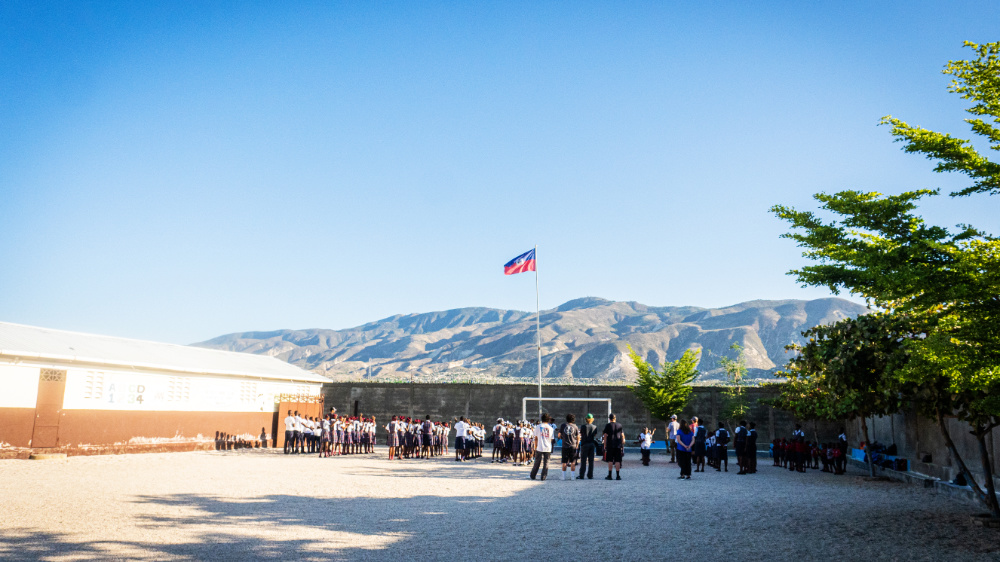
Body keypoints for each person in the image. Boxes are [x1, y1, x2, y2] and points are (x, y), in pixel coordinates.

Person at [530, 414, 554, 480]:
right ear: (548, 420)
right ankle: (543, 476)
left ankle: (533, 475)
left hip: (539, 447)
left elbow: (536, 438)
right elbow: (551, 439)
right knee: (546, 463)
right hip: (548, 447)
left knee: (537, 462)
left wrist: (535, 446)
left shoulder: (538, 427)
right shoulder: (551, 428)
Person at [603, 413, 625, 480]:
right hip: (618, 445)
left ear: (609, 419)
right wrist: (622, 443)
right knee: (617, 460)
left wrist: (604, 445)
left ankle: (610, 475)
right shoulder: (619, 425)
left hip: (610, 444)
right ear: (615, 418)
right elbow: (622, 435)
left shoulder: (608, 425)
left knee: (610, 460)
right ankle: (618, 476)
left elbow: (605, 436)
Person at [559, 414, 581, 480]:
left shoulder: (563, 425)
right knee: (573, 462)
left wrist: (562, 437)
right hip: (573, 446)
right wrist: (577, 445)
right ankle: (572, 476)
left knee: (564, 461)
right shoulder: (575, 427)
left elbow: (559, 435)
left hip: (565, 445)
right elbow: (578, 437)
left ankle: (563, 476)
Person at [577, 414, 598, 479]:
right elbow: (595, 435)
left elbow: (580, 433)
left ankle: (582, 475)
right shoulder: (595, 427)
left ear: (586, 419)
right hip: (592, 444)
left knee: (583, 460)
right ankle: (590, 475)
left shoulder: (583, 426)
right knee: (591, 461)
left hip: (584, 444)